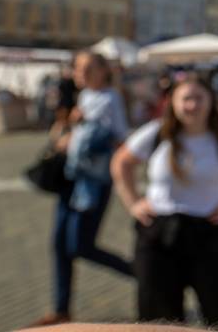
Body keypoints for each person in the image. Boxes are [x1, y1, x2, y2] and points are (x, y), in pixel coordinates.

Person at [110, 75, 218, 327]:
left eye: (198, 98)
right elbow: (121, 162)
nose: (192, 105)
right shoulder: (157, 132)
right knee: (158, 320)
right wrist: (133, 202)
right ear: (173, 103)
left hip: (208, 234)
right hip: (158, 236)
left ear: (211, 101)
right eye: (185, 99)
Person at [31, 52, 134, 327]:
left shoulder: (111, 98)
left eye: (88, 69)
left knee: (80, 245)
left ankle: (142, 273)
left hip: (94, 182)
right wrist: (69, 131)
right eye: (78, 69)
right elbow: (67, 133)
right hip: (71, 178)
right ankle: (61, 309)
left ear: (103, 71)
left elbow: (122, 138)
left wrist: (91, 139)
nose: (81, 74)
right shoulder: (84, 97)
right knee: (59, 245)